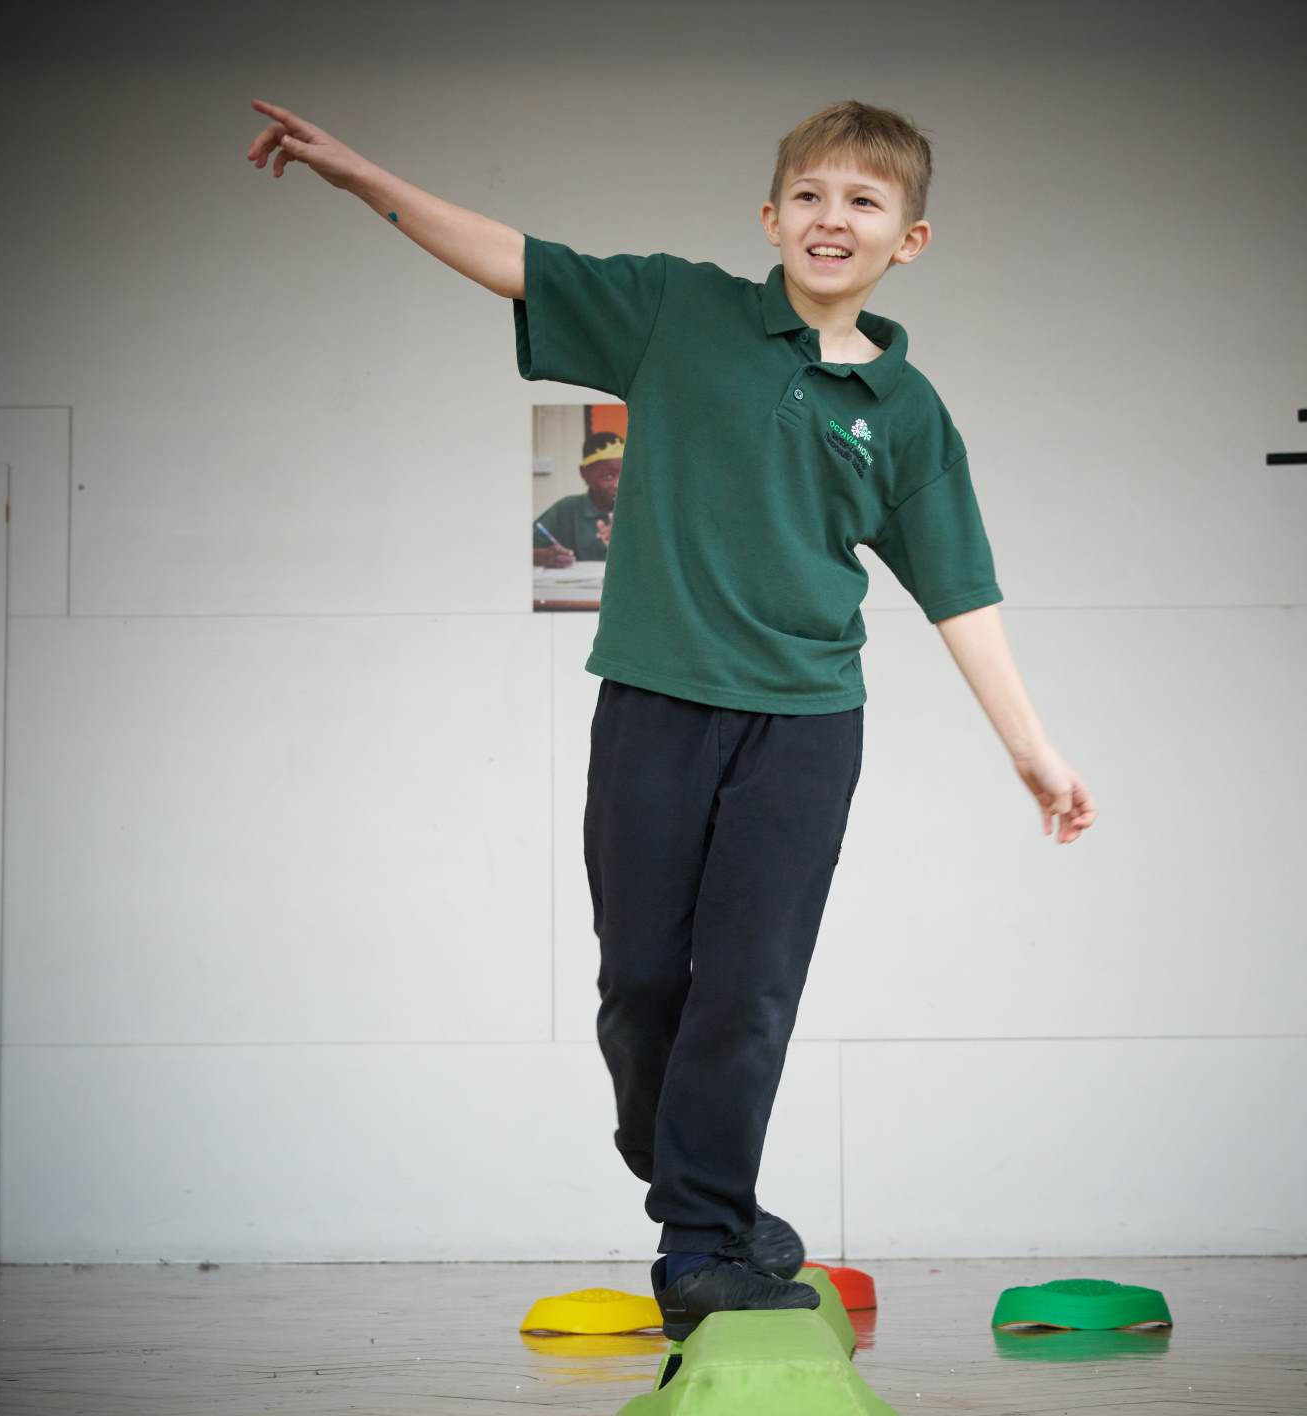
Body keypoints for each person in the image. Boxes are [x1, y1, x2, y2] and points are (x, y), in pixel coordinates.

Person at [245, 96, 1097, 1342]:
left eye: (863, 202)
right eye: (809, 195)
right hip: (653, 704)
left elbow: (958, 590)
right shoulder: (677, 311)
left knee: (746, 990)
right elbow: (513, 259)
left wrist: (1033, 751)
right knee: (642, 980)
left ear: (907, 239)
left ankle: (700, 1240)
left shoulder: (908, 413)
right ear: (771, 217)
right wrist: (360, 176)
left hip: (804, 725)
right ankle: (685, 1164)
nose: (832, 219)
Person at [532, 430, 621, 567]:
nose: (618, 485)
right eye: (608, 477)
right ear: (584, 473)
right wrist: (542, 557)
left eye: (626, 476)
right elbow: (516, 548)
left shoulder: (641, 510)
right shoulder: (567, 509)